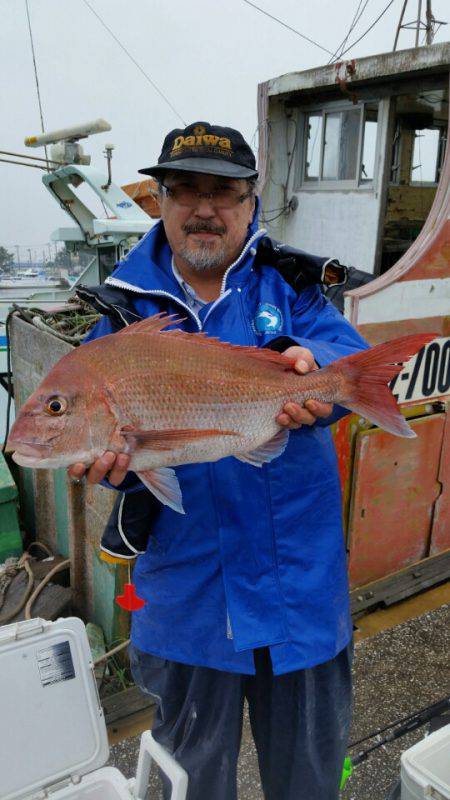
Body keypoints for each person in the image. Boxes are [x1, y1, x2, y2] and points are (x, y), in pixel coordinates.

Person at [70, 121, 368, 800]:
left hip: (301, 598)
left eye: (223, 192)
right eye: (185, 190)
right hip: (188, 608)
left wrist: (315, 371)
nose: (204, 208)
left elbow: (350, 368)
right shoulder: (118, 319)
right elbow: (84, 425)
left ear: (249, 202)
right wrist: (100, 462)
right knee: (191, 784)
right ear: (160, 201)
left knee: (312, 781)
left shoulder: (292, 285)